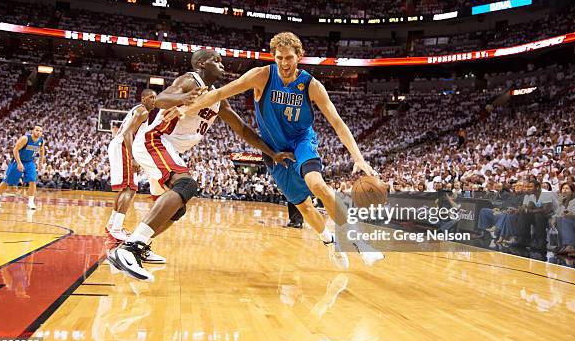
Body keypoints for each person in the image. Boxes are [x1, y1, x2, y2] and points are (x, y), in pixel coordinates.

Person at [175, 32, 385, 269]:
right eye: (279, 58)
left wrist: (358, 158)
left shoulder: (311, 85)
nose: (284, 63)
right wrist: (187, 109)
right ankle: (329, 241)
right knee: (303, 205)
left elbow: (337, 122)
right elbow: (220, 93)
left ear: (299, 57)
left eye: (289, 58)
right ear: (274, 58)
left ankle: (359, 242)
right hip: (274, 150)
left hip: (301, 142)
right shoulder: (261, 76)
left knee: (317, 184)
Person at [108, 49, 294, 281]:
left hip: (169, 148)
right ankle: (129, 249)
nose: (222, 64)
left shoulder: (217, 98)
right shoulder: (189, 80)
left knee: (178, 206)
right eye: (216, 60)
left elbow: (244, 130)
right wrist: (182, 99)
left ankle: (139, 244)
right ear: (202, 64)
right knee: (186, 185)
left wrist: (273, 153)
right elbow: (160, 99)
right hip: (154, 140)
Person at [105, 89, 157, 241]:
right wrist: (133, 157)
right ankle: (116, 228)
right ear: (143, 99)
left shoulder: (137, 109)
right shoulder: (143, 112)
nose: (154, 100)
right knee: (130, 189)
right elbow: (128, 133)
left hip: (119, 145)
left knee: (126, 189)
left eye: (155, 97)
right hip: (123, 147)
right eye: (151, 97)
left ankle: (111, 225)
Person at [0, 125, 45, 210]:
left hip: (29, 162)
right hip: (17, 161)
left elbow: (42, 150)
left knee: (32, 181)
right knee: (6, 182)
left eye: (40, 131)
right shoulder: (25, 139)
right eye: (37, 130)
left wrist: (41, 162)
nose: (38, 132)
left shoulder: (41, 141)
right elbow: (15, 150)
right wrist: (19, 163)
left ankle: (31, 202)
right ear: (33, 131)